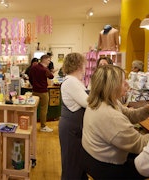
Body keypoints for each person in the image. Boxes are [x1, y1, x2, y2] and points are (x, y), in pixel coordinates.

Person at [82, 65, 149, 179]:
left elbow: (129, 115)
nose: (128, 85)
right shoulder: (110, 116)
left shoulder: (103, 102)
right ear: (111, 86)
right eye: (123, 82)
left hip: (93, 159)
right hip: (107, 168)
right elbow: (141, 144)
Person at [59, 52, 88, 180]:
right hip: (71, 130)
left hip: (73, 128)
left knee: (76, 164)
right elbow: (88, 103)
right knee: (72, 165)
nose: (85, 68)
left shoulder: (74, 81)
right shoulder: (71, 82)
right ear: (78, 66)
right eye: (84, 65)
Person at [29, 54, 54, 132]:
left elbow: (30, 77)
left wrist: (34, 85)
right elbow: (51, 76)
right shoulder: (44, 69)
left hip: (34, 91)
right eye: (49, 60)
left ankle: (30, 124)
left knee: (33, 109)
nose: (49, 62)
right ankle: (43, 126)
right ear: (45, 60)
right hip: (43, 91)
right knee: (43, 110)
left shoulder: (33, 67)